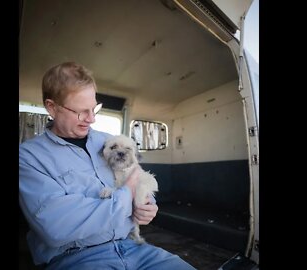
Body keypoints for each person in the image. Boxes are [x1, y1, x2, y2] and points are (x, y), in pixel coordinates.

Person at [19, 62, 195, 270]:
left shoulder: (110, 141)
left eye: (94, 109)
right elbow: (56, 227)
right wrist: (127, 193)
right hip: (77, 258)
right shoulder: (29, 157)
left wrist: (147, 203)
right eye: (81, 112)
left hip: (133, 247)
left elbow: (136, 175)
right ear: (52, 108)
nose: (91, 119)